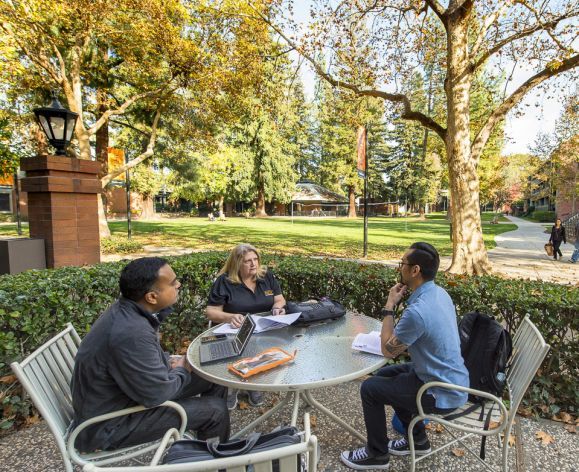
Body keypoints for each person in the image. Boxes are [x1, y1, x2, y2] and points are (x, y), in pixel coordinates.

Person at [71, 257, 229, 453]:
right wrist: (181, 369)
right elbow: (158, 394)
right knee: (216, 410)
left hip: (126, 399)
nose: (178, 284)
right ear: (152, 297)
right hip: (108, 425)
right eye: (172, 283)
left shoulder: (128, 312)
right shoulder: (131, 332)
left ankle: (202, 448)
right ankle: (215, 462)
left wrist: (169, 363)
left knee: (214, 376)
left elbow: (144, 365)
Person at [340, 242, 469, 470]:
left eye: (403, 264)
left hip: (441, 391)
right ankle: (418, 440)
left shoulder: (418, 312)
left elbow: (387, 350)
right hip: (450, 378)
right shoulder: (439, 294)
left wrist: (389, 305)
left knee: (370, 389)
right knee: (388, 374)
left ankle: (377, 454)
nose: (400, 268)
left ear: (415, 270)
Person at [206, 243, 286, 410]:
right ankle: (232, 387)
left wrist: (277, 307)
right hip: (235, 332)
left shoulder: (266, 277)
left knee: (267, 345)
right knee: (245, 347)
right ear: (237, 264)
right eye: (248, 261)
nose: (254, 264)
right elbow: (212, 312)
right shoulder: (225, 281)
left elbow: (279, 299)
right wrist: (229, 317)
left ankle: (252, 384)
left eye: (256, 259)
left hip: (263, 329)